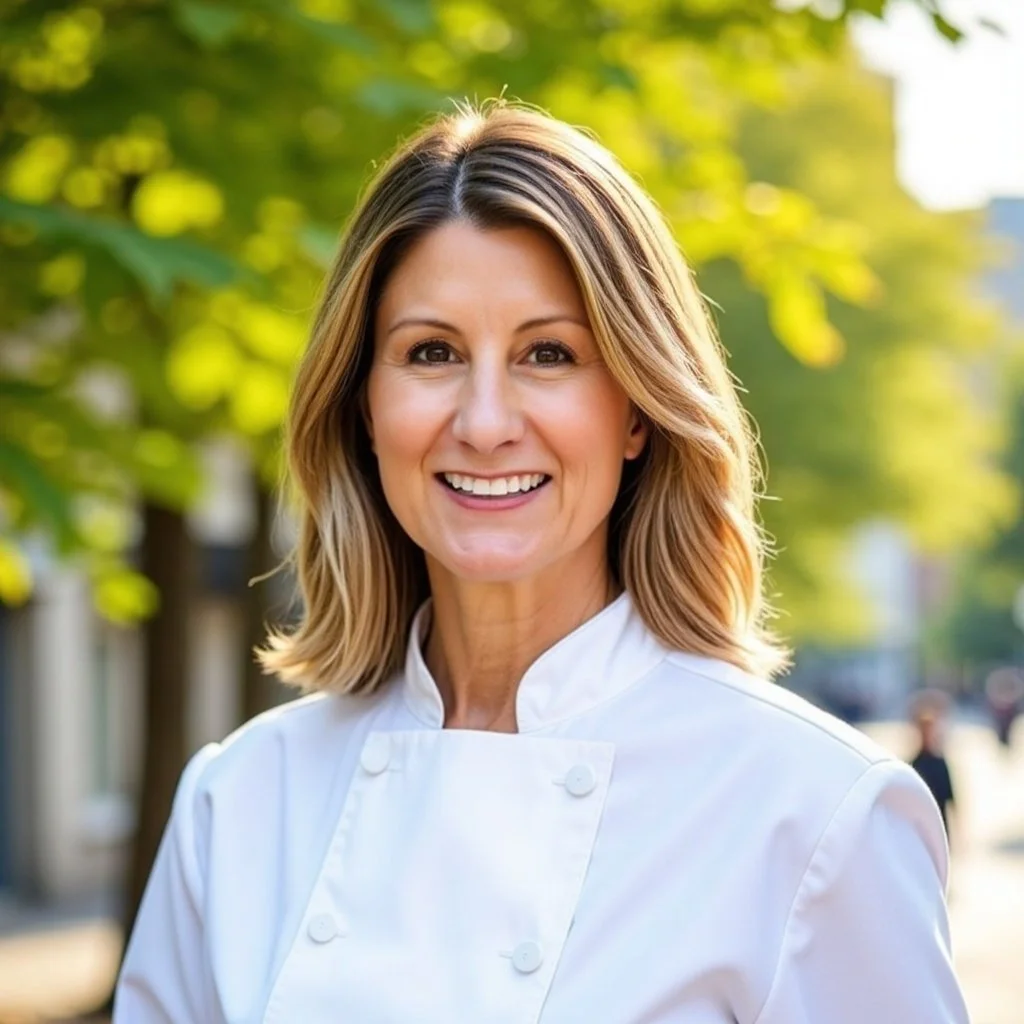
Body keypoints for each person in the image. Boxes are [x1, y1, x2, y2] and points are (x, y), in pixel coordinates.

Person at [114, 102, 968, 1022]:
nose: (484, 423)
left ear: (637, 407)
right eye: (431, 352)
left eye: (549, 354)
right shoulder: (239, 801)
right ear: (364, 405)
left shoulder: (815, 812)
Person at [908, 691, 957, 844]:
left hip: (940, 824)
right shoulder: (914, 765)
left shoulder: (939, 763)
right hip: (921, 828)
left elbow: (951, 797)